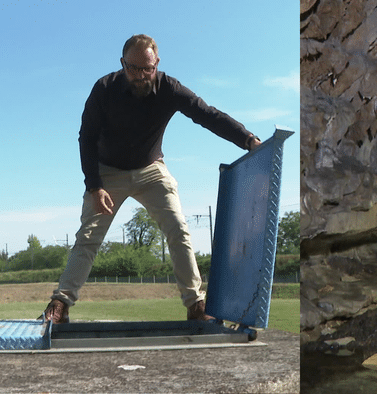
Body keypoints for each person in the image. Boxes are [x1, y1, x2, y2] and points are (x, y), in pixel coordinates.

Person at [43, 34, 261, 323]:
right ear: (123, 64)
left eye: (148, 69)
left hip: (151, 169)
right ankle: (60, 305)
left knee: (178, 228)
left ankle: (196, 305)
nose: (141, 76)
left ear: (156, 63)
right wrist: (94, 186)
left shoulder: (169, 88)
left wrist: (248, 140)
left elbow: (207, 114)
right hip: (107, 172)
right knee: (88, 237)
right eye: (134, 69)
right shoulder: (104, 88)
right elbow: (87, 138)